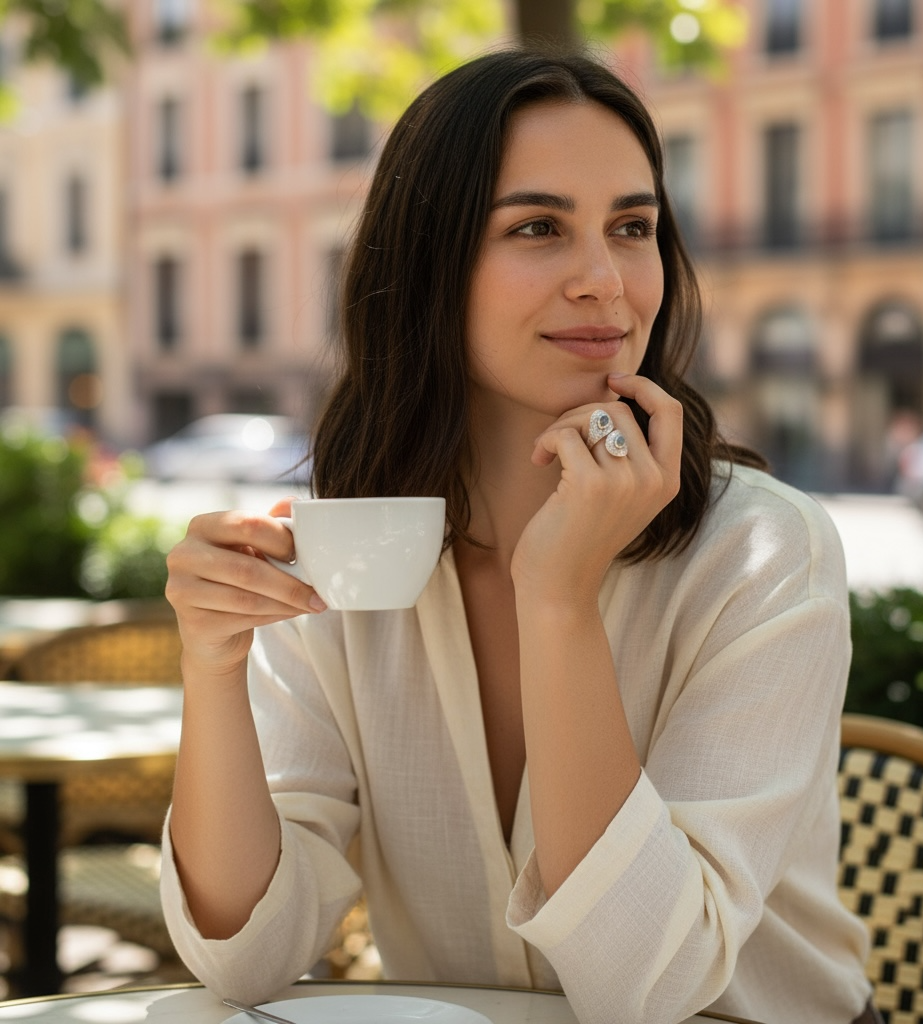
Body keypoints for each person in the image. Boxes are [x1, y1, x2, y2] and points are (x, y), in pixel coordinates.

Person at [160, 47, 878, 1024]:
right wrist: (212, 664)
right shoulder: (349, 549)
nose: (603, 280)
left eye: (632, 227)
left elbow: (650, 986)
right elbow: (246, 956)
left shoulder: (763, 552)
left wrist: (558, 599)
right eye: (538, 227)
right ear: (427, 260)